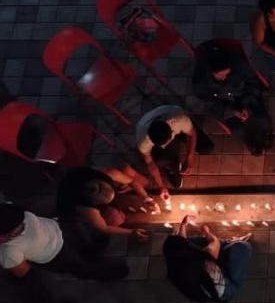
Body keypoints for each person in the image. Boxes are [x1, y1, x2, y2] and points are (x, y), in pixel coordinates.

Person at [0, 203, 128, 281]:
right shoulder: (22, 216)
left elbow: (22, 272)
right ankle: (100, 260)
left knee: (82, 266)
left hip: (59, 251)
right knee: (85, 253)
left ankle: (105, 268)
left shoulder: (9, 250)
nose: (23, 226)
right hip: (62, 234)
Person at [193, 39, 274, 154]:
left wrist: (245, 103)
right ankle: (249, 141)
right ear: (210, 72)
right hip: (225, 104)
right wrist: (232, 111)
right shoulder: (201, 82)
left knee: (262, 117)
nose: (225, 78)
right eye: (220, 76)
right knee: (237, 129)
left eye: (227, 73)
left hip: (243, 95)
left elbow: (252, 82)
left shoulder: (239, 64)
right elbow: (209, 103)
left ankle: (266, 133)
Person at [56, 167, 150, 256]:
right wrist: (132, 232)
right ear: (95, 205)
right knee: (108, 221)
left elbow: (132, 181)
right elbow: (103, 227)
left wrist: (146, 197)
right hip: (67, 200)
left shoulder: (110, 174)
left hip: (81, 176)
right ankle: (89, 251)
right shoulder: (86, 208)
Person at [163, 215, 252, 303]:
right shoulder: (202, 261)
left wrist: (184, 224)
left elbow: (182, 243)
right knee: (243, 247)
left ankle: (224, 250)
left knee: (191, 241)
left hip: (203, 292)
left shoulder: (173, 263)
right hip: (224, 289)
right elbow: (214, 242)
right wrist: (206, 232)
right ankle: (233, 243)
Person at [135, 105, 214, 200]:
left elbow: (192, 134)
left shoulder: (179, 120)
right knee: (161, 160)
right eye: (161, 145)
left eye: (167, 142)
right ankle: (171, 165)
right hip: (150, 123)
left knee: (207, 147)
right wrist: (161, 187)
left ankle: (188, 127)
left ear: (172, 131)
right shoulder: (143, 141)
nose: (164, 146)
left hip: (173, 117)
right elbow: (150, 163)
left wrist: (190, 157)